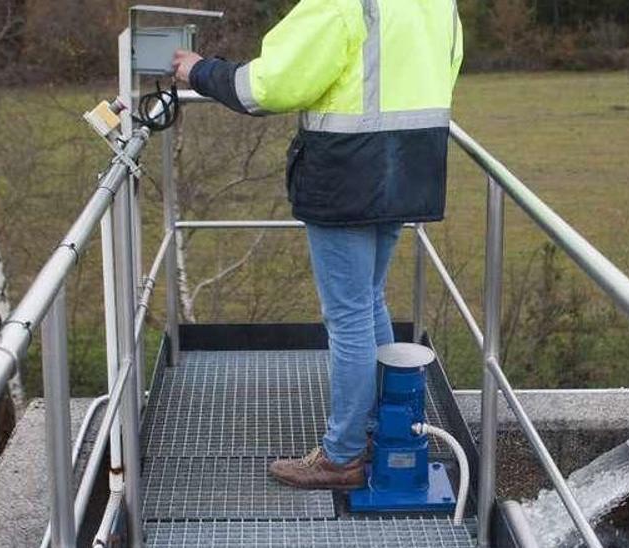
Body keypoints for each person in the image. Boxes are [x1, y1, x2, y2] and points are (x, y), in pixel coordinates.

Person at [172, 0, 463, 490]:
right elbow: (444, 67)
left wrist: (199, 71)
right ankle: (376, 423)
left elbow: (267, 87)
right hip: (408, 167)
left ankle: (342, 456)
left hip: (349, 174)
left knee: (348, 316)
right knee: (369, 299)